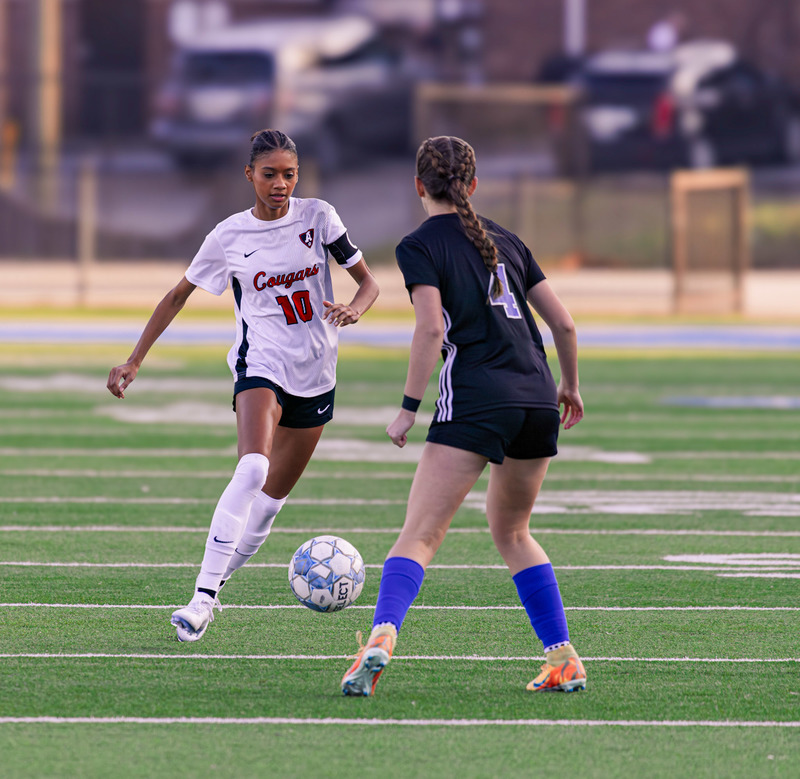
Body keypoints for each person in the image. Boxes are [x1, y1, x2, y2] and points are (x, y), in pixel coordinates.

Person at [107, 129, 379, 642]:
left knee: (269, 505)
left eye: (290, 174)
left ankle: (218, 585)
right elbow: (177, 295)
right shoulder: (228, 235)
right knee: (253, 467)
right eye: (270, 173)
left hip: (317, 371)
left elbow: (368, 282)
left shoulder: (319, 217)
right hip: (262, 363)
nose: (281, 183)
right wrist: (134, 360)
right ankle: (200, 600)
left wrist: (354, 308)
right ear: (249, 175)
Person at [341, 136, 585, 696]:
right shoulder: (507, 238)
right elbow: (565, 326)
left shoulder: (418, 245)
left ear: (418, 187)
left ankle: (380, 637)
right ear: (472, 186)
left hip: (479, 396)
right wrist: (568, 386)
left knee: (420, 535)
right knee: (515, 531)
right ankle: (563, 656)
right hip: (536, 397)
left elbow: (431, 328)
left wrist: (406, 410)